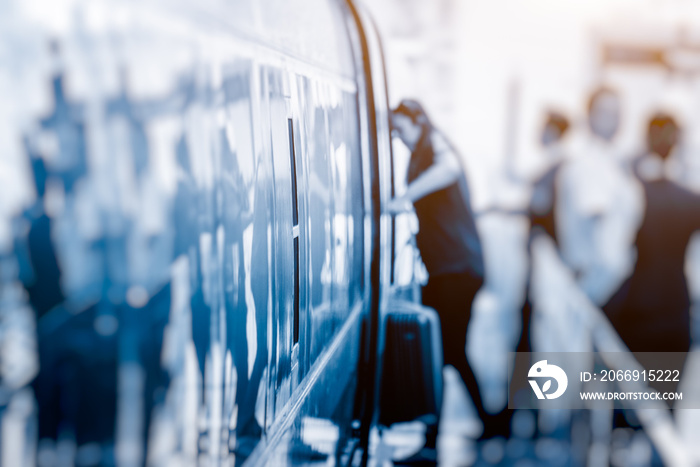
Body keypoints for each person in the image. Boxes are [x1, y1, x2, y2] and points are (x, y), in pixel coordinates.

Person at [387, 99, 510, 462]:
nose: (398, 137)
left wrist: (403, 199)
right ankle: (486, 422)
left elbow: (448, 169)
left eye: (400, 128)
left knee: (444, 351)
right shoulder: (426, 147)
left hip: (457, 270)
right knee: (448, 352)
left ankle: (445, 435)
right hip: (451, 269)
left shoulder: (436, 144)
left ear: (418, 120)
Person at [603, 112, 700, 353]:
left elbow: (612, 257)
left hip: (636, 306)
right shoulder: (690, 200)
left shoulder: (629, 192)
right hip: (676, 307)